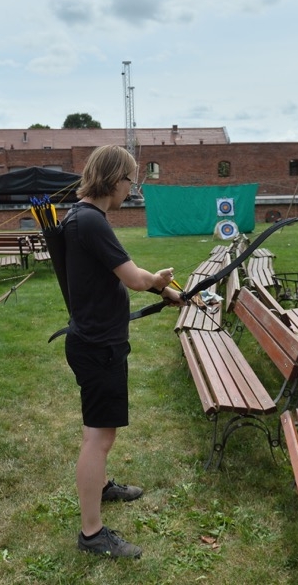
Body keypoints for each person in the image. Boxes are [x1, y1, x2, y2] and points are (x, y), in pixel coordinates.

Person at [62, 145, 183, 558]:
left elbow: (115, 275)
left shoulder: (79, 216)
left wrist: (162, 289)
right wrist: (159, 279)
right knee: (100, 436)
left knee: (96, 431)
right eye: (131, 180)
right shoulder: (92, 220)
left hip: (92, 340)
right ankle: (92, 534)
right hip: (99, 346)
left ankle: (101, 485)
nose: (132, 189)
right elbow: (133, 279)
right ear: (114, 179)